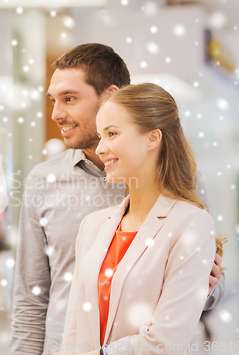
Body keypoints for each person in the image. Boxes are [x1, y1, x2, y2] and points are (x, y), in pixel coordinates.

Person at [9, 43, 224, 355]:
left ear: (109, 96)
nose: (56, 114)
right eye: (53, 100)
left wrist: (201, 285)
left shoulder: (182, 184)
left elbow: (209, 291)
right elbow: (30, 299)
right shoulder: (44, 182)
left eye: (69, 99)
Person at [55, 82, 217, 355]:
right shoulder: (93, 226)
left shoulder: (191, 224)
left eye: (112, 133)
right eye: (100, 136)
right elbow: (74, 330)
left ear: (153, 138)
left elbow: (166, 342)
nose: (101, 148)